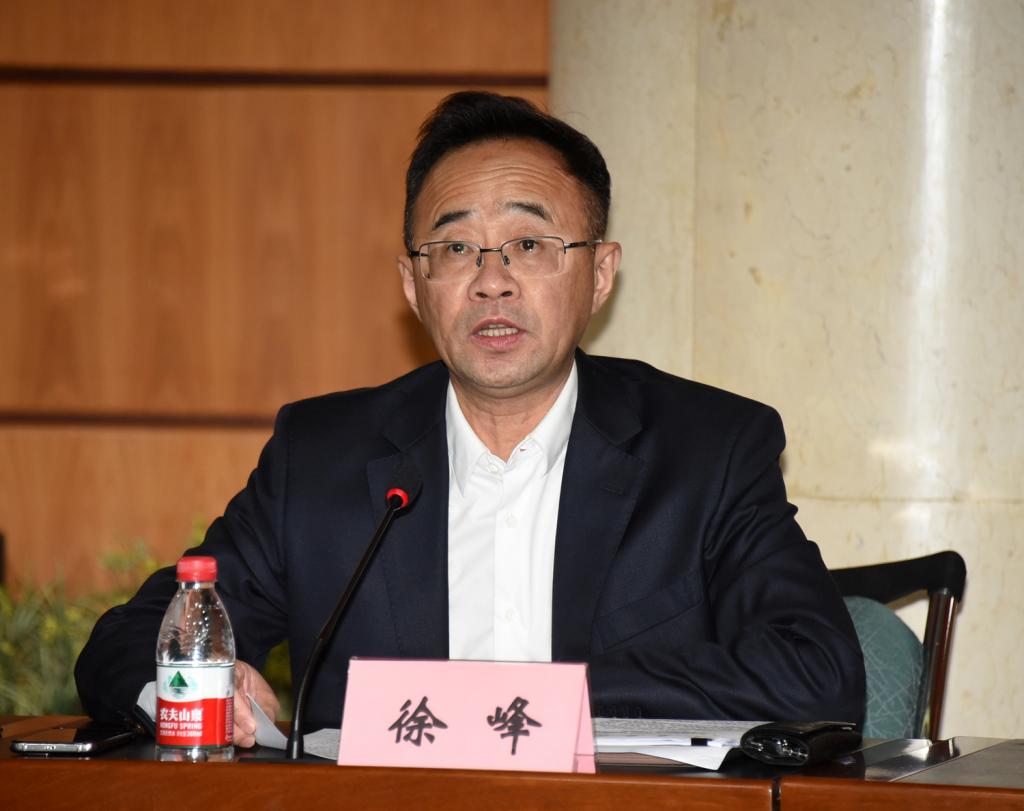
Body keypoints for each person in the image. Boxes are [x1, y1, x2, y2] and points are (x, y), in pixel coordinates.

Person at [76, 92, 865, 746]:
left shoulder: (707, 451)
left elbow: (818, 672)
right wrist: (197, 691)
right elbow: (128, 642)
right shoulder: (320, 459)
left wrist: (538, 699)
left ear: (600, 274)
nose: (492, 281)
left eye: (529, 243)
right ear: (413, 285)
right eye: (455, 249)